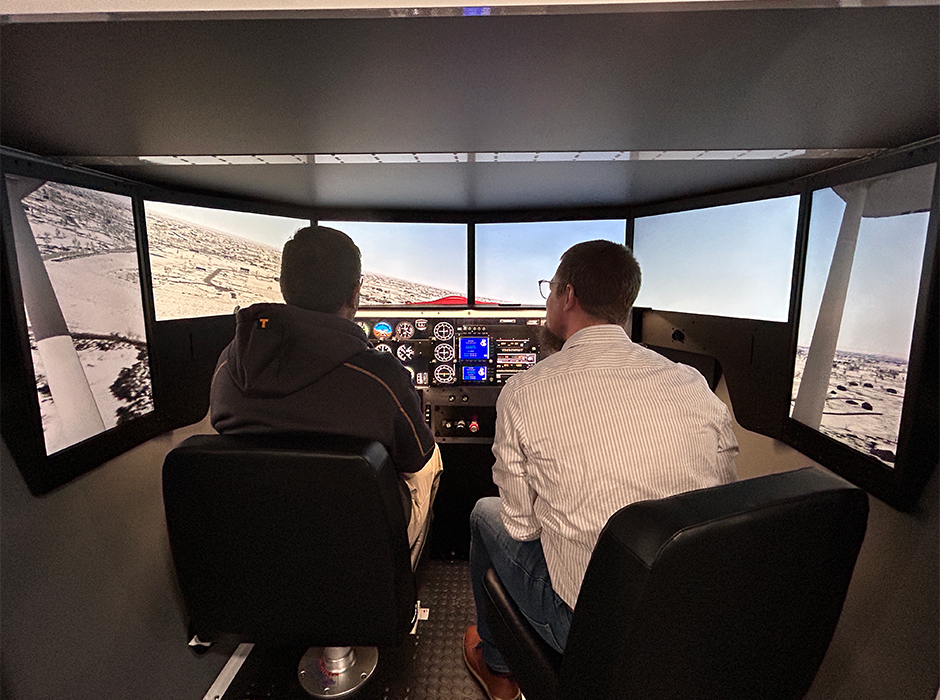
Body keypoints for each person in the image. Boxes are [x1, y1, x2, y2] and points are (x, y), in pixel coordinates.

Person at [464, 240, 738, 700]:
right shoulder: (692, 383)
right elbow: (721, 496)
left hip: (591, 629)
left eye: (549, 289)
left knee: (483, 513)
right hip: (689, 621)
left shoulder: (525, 391)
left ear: (567, 295)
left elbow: (521, 526)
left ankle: (497, 667)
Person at [210, 226, 442, 555]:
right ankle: (404, 581)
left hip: (258, 533)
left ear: (284, 285)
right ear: (354, 292)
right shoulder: (380, 376)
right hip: (358, 539)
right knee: (433, 459)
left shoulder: (229, 363)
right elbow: (415, 458)